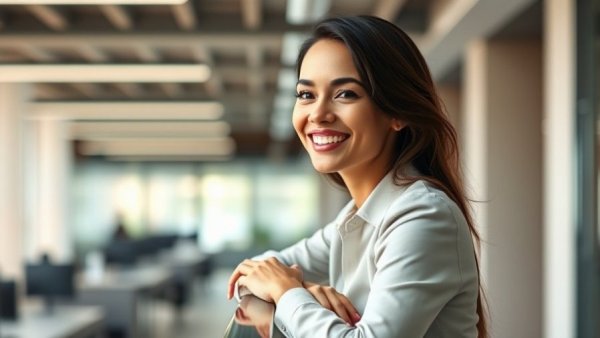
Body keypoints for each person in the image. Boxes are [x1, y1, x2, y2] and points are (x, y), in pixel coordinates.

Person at [227, 15, 487, 337]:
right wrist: (303, 289)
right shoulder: (354, 218)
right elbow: (252, 272)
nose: (318, 114)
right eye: (306, 95)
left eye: (345, 94)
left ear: (397, 113)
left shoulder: (425, 216)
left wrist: (287, 293)